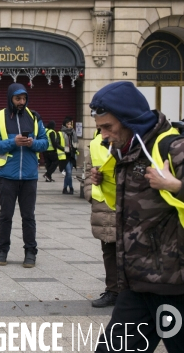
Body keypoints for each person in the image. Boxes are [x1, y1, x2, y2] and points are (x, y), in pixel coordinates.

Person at [90, 81, 184, 352]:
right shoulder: (126, 152)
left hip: (174, 287)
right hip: (136, 285)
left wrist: (175, 186)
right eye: (100, 128)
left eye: (108, 127)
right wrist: (102, 180)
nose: (104, 135)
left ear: (129, 118)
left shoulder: (173, 147)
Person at [0, 83, 48, 268]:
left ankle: (30, 252)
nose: (22, 102)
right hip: (7, 175)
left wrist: (33, 143)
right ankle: (2, 250)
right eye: (18, 98)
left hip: (29, 176)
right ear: (10, 98)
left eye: (24, 98)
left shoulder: (34, 116)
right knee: (6, 216)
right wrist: (13, 142)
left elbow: (45, 143)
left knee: (28, 216)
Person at [84, 130, 118, 308]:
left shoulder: (130, 139)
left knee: (130, 250)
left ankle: (130, 292)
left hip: (126, 203)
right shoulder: (96, 142)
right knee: (108, 249)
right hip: (103, 204)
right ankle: (113, 290)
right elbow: (89, 170)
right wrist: (90, 193)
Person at [58, 116, 79, 194]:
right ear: (65, 124)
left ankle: (65, 188)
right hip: (65, 156)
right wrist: (64, 149)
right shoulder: (60, 133)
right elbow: (56, 144)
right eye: (68, 124)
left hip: (72, 155)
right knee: (69, 173)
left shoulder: (73, 133)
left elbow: (76, 144)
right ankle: (71, 187)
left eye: (70, 124)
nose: (69, 125)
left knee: (68, 173)